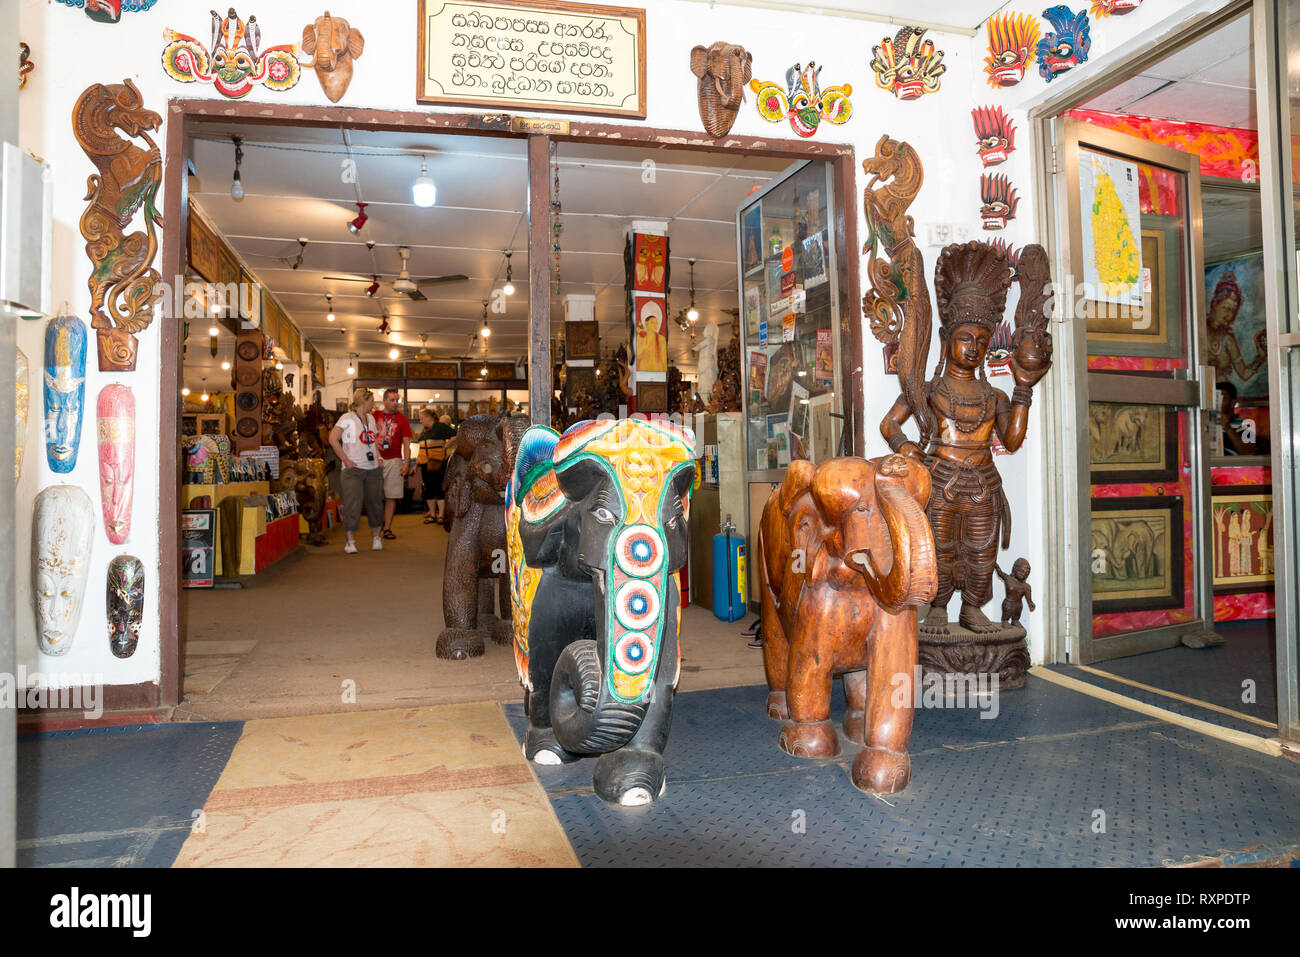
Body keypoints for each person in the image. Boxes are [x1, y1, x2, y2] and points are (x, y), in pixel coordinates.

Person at [328, 387, 384, 554]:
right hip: (353, 470)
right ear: (363, 401)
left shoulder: (371, 419)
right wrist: (345, 460)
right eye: (371, 400)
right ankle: (350, 541)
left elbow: (372, 441)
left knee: (375, 504)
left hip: (373, 468)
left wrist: (379, 457)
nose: (373, 403)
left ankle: (376, 538)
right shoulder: (347, 418)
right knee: (352, 505)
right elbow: (333, 439)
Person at [372, 387, 413, 540]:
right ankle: (377, 525)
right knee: (375, 495)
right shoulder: (374, 416)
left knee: (391, 496)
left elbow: (406, 443)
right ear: (384, 400)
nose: (395, 403)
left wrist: (406, 463)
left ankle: (387, 528)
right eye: (392, 400)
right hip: (376, 459)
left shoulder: (402, 419)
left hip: (395, 460)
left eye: (397, 400)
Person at [417, 408, 455, 525]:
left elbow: (456, 436)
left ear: (429, 417)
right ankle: (432, 515)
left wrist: (445, 446)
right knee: (429, 488)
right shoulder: (424, 431)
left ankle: (441, 515)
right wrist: (417, 463)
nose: (420, 421)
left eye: (422, 418)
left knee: (439, 488)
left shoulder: (440, 427)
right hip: (425, 464)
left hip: (438, 463)